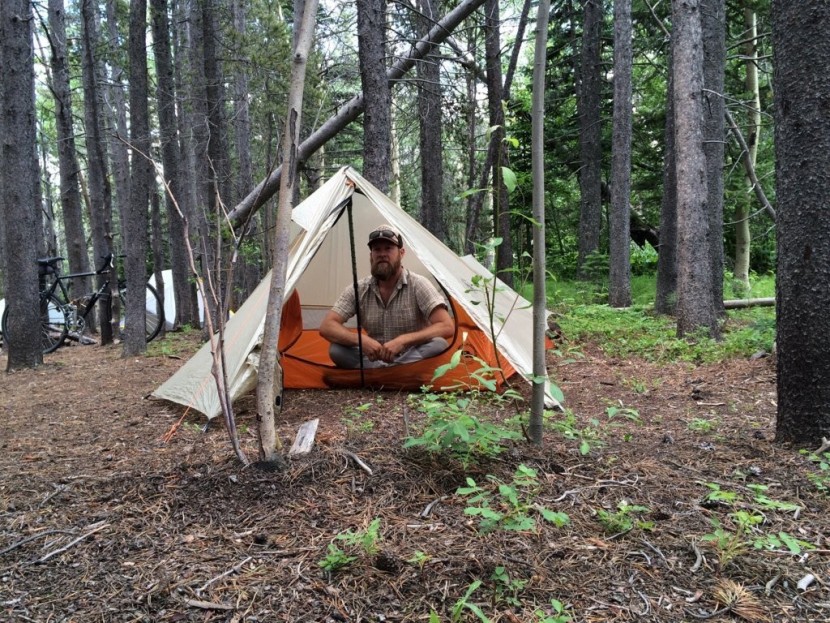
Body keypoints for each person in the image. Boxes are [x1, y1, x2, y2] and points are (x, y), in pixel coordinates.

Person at [319, 224, 454, 368]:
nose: (382, 254)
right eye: (377, 249)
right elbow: (327, 326)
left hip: (411, 354)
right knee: (337, 350)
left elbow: (446, 326)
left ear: (401, 253)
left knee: (438, 344)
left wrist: (404, 340)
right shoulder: (358, 289)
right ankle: (391, 371)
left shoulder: (418, 284)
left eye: (388, 248)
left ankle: (385, 371)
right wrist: (361, 340)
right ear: (371, 256)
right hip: (373, 358)